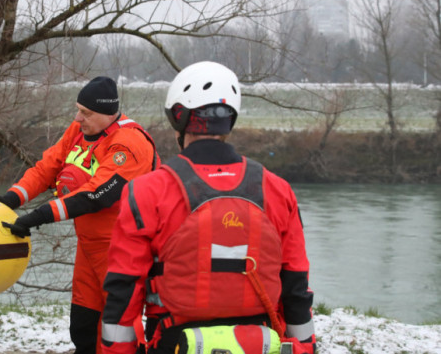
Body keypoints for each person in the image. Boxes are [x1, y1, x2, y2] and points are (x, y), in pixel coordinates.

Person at [100, 61, 316, 354]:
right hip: (260, 344)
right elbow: (296, 286)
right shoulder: (278, 190)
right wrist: (304, 347)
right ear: (230, 121)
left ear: (179, 117)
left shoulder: (146, 191)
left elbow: (123, 290)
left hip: (172, 341)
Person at [0, 76, 159, 354]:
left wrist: (39, 215)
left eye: (86, 112)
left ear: (108, 113)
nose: (78, 117)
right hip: (89, 246)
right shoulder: (78, 130)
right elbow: (47, 167)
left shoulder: (130, 144)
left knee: (120, 332)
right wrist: (11, 199)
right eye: (78, 109)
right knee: (82, 327)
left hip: (123, 250)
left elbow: (96, 194)